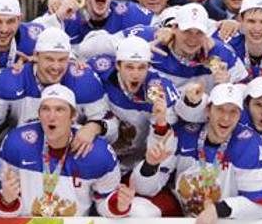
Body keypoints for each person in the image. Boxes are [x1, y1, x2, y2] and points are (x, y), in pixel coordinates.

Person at [131, 83, 262, 224]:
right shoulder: (185, 135)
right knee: (138, 209)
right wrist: (150, 165)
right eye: (220, 109)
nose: (226, 118)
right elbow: (144, 189)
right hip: (182, 217)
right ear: (208, 110)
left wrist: (219, 210)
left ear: (239, 115)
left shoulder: (249, 144)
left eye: (233, 112)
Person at [0, 85, 128, 218]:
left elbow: (104, 201)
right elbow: (3, 210)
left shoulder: (98, 153)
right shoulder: (16, 142)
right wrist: (7, 201)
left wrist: (118, 205)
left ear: (73, 116)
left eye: (59, 110)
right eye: (45, 109)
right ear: (39, 114)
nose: (51, 117)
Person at [0, 27, 108, 143]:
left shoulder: (85, 81)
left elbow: (111, 125)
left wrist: (95, 127)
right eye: (49, 59)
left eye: (62, 59)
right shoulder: (9, 81)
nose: (56, 67)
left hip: (69, 152)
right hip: (22, 152)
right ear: (36, 55)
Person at [88, 35, 205, 172]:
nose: (135, 74)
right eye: (129, 67)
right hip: (100, 154)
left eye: (141, 67)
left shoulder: (160, 90)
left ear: (149, 67)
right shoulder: (101, 67)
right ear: (117, 66)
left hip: (137, 163)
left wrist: (161, 122)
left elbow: (164, 146)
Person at [147, 3, 248, 89]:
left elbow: (244, 89)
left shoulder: (221, 54)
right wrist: (142, 52)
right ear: (174, 28)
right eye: (187, 31)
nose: (193, 38)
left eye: (199, 32)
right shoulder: (151, 45)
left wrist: (226, 87)